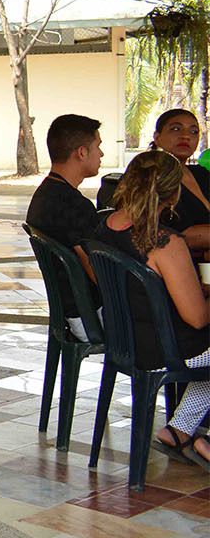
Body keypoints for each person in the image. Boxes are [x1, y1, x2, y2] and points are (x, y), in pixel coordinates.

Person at [92, 151, 210, 471]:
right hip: (166, 349)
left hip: (128, 341)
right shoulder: (162, 241)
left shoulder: (105, 226)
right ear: (173, 195)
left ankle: (180, 430)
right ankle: (191, 431)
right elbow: (197, 318)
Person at [26, 113, 104, 264]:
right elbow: (100, 274)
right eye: (98, 146)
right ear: (82, 152)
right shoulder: (76, 207)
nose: (101, 153)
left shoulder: (43, 194)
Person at [142, 109, 210, 257]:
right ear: (157, 137)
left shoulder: (201, 174)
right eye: (176, 129)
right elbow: (180, 236)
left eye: (194, 132)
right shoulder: (150, 176)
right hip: (174, 265)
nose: (185, 136)